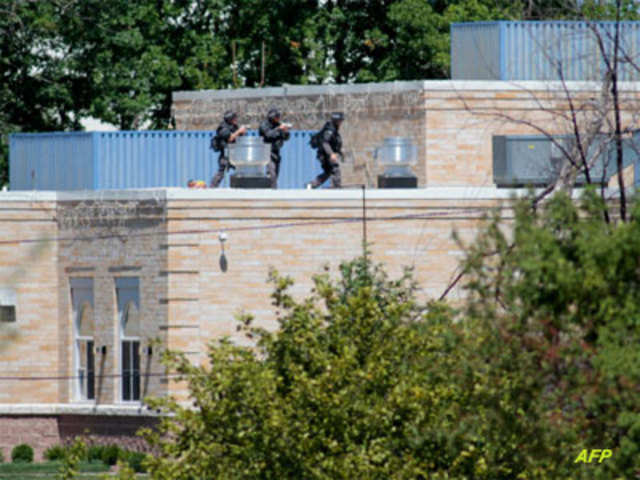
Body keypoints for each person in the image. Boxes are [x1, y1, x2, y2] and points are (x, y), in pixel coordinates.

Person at [210, 110, 247, 188]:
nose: (236, 120)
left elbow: (238, 138)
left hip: (235, 154)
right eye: (234, 118)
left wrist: (242, 133)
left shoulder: (234, 127)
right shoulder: (222, 127)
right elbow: (229, 138)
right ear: (230, 119)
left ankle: (241, 187)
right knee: (221, 173)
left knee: (242, 170)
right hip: (225, 154)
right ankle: (212, 188)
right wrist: (239, 131)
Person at [307, 112, 344, 189]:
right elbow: (325, 143)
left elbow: (334, 143)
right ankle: (336, 188)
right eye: (340, 120)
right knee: (335, 169)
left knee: (328, 172)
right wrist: (331, 154)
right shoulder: (329, 130)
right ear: (336, 120)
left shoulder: (334, 129)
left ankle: (311, 185)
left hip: (326, 155)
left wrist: (339, 152)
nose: (341, 122)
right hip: (325, 155)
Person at [259, 108, 291, 189]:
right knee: (271, 173)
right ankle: (273, 192)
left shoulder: (278, 125)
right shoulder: (264, 125)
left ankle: (269, 189)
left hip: (276, 151)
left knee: (276, 174)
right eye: (277, 117)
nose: (278, 118)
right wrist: (279, 129)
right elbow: (268, 135)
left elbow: (286, 138)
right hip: (267, 151)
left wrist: (286, 131)